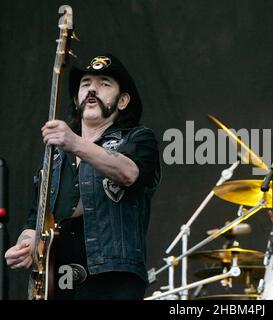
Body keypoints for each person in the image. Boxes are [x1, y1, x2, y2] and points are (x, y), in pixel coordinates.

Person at [4, 54, 161, 299]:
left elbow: (129, 173)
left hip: (112, 281)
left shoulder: (137, 139)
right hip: (59, 281)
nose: (92, 89)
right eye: (85, 83)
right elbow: (37, 217)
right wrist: (26, 244)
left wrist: (75, 142)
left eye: (104, 83)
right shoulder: (55, 156)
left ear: (123, 101)